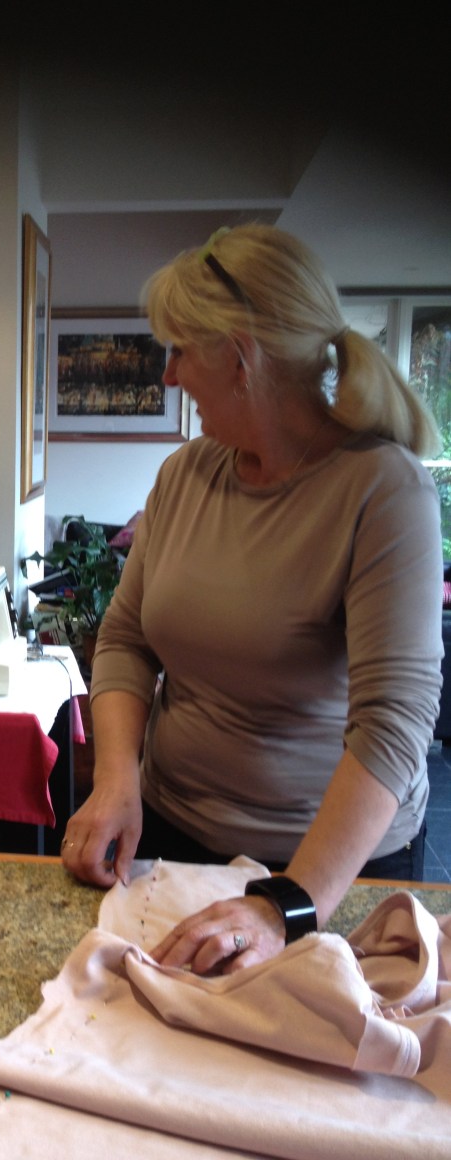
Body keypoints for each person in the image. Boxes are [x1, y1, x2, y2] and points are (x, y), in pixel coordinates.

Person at [61, 223, 443, 976]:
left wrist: (288, 902)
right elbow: (126, 639)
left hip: (327, 870)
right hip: (174, 834)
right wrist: (116, 782)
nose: (168, 376)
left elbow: (395, 719)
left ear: (240, 357)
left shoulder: (383, 491)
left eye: (179, 350)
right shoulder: (184, 475)